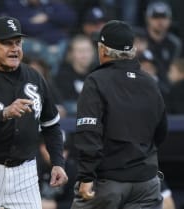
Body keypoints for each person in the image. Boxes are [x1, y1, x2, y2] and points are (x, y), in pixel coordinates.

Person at [0, 16, 68, 209]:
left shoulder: (35, 77)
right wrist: (3, 114)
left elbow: (51, 126)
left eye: (18, 43)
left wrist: (57, 162)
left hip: (25, 174)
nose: (14, 48)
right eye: (7, 43)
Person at [71, 20, 167, 209]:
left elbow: (88, 132)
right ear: (131, 50)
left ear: (103, 50)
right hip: (146, 182)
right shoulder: (149, 82)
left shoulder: (96, 81)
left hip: (109, 182)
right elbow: (161, 131)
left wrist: (86, 176)